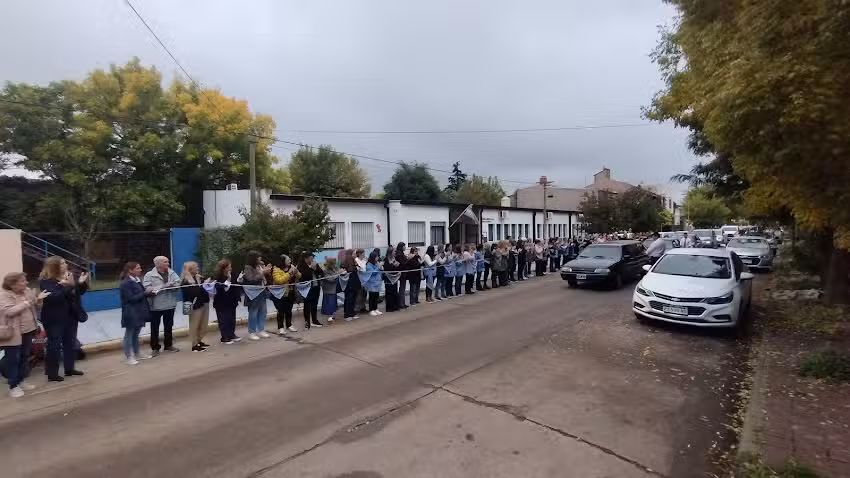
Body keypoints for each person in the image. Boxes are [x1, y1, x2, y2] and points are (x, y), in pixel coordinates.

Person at [39, 256, 88, 381]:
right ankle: (52, 373)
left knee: (70, 343)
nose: (66, 264)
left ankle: (69, 368)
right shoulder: (46, 281)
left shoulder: (69, 276)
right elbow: (54, 297)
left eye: (65, 262)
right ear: (54, 267)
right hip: (54, 318)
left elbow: (78, 292)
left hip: (70, 316)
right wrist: (68, 286)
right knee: (54, 345)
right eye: (62, 263)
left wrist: (81, 283)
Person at [1, 272, 48, 397]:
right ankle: (13, 386)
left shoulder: (27, 291)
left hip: (29, 330)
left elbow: (35, 305)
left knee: (24, 357)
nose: (26, 283)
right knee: (13, 359)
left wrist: (39, 300)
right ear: (12, 284)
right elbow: (9, 311)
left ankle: (21, 381)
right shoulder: (4, 295)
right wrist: (27, 302)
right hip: (13, 333)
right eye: (22, 281)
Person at [143, 256, 181, 355]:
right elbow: (147, 289)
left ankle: (168, 345)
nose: (168, 263)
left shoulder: (172, 273)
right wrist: (164, 286)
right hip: (156, 306)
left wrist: (173, 286)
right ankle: (155, 348)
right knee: (154, 328)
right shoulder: (149, 275)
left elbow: (178, 283)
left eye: (168, 261)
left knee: (168, 326)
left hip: (170, 304)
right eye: (165, 262)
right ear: (158, 264)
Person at [118, 262, 154, 365]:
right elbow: (130, 298)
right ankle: (128, 356)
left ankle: (137, 353)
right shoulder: (125, 283)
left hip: (140, 311)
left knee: (136, 334)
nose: (140, 270)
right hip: (130, 312)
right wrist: (144, 293)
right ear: (130, 270)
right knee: (129, 334)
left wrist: (150, 293)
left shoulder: (137, 280)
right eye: (138, 268)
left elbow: (141, 295)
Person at [239, 251, 272, 340]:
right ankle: (252, 332)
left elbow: (263, 278)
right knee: (253, 312)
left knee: (263, 311)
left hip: (262, 291)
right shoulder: (248, 268)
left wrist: (266, 272)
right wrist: (262, 272)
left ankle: (261, 330)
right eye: (258, 257)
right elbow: (251, 279)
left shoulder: (259, 266)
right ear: (254, 258)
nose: (260, 258)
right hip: (252, 293)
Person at [181, 261, 212, 352]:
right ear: (190, 270)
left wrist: (208, 284)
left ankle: (199, 340)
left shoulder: (199, 277)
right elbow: (193, 293)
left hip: (203, 303)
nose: (198, 269)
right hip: (194, 305)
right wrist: (203, 285)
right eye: (196, 267)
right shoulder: (185, 281)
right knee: (194, 325)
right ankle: (194, 345)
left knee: (203, 324)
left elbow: (205, 288)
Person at [213, 259, 241, 344]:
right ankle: (224, 337)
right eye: (228, 267)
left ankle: (231, 334)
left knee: (231, 319)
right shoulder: (218, 278)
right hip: (221, 302)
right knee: (223, 320)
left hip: (232, 301)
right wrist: (228, 279)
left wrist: (239, 280)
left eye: (230, 266)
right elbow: (224, 289)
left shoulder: (233, 274)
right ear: (223, 268)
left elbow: (236, 286)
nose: (230, 268)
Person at [298, 253, 324, 329]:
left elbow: (321, 273)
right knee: (307, 306)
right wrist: (311, 269)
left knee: (314, 304)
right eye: (311, 258)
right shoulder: (301, 266)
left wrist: (316, 269)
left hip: (316, 287)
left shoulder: (315, 264)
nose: (312, 260)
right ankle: (307, 322)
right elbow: (304, 276)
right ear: (306, 258)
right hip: (307, 289)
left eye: (313, 258)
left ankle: (314, 320)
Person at [270, 254, 293, 334]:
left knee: (289, 309)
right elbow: (279, 280)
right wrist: (289, 273)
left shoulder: (291, 267)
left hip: (289, 291)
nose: (290, 261)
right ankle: (281, 327)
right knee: (281, 310)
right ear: (283, 261)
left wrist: (296, 272)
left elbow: (298, 276)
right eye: (288, 260)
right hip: (279, 293)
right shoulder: (276, 269)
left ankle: (289, 325)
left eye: (290, 259)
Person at [341, 249, 361, 321]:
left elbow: (358, 268)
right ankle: (347, 314)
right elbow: (344, 272)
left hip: (354, 282)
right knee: (348, 298)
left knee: (353, 298)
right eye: (354, 253)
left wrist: (356, 263)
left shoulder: (354, 261)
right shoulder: (344, 263)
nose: (355, 255)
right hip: (348, 283)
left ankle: (352, 312)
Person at [320, 257, 340, 323]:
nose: (335, 264)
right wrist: (338, 274)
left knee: (333, 302)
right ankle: (329, 316)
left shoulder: (334, 268)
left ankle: (332, 314)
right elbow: (330, 279)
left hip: (333, 288)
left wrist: (338, 273)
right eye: (334, 263)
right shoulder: (325, 270)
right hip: (328, 289)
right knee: (329, 303)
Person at [364, 250, 383, 316]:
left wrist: (380, 267)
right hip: (371, 283)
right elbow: (372, 273)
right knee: (372, 297)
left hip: (377, 283)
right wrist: (378, 267)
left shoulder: (376, 264)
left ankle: (375, 308)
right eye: (376, 257)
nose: (378, 258)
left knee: (376, 296)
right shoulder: (369, 265)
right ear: (373, 257)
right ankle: (371, 309)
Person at [383, 246, 400, 312]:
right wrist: (392, 264)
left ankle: (395, 306)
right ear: (390, 252)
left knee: (395, 292)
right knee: (389, 293)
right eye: (394, 251)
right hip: (388, 278)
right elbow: (387, 269)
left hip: (394, 277)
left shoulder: (394, 258)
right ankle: (389, 307)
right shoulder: (386, 259)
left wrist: (397, 265)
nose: (395, 252)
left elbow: (396, 267)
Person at [394, 243, 408, 309]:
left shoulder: (400, 254)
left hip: (402, 272)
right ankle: (401, 303)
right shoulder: (399, 255)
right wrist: (408, 259)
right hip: (401, 273)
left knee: (402, 288)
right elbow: (403, 264)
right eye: (404, 246)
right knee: (402, 288)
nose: (405, 247)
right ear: (401, 247)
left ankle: (402, 303)